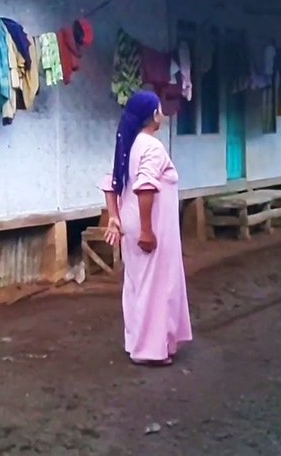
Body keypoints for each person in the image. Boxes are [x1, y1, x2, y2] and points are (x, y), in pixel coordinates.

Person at [98, 90, 192, 366]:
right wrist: (147, 231)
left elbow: (111, 183)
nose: (163, 113)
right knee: (156, 286)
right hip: (149, 224)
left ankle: (141, 342)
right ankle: (150, 350)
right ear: (153, 115)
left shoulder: (131, 143)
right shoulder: (151, 146)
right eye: (160, 108)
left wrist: (114, 217)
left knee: (138, 284)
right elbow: (145, 187)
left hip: (132, 220)